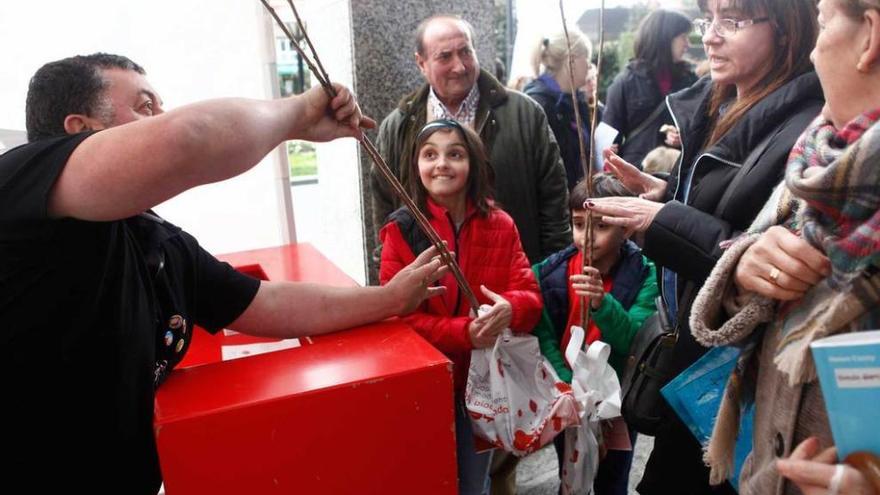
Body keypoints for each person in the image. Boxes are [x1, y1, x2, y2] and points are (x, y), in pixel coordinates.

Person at [0, 53, 448, 494]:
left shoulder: (156, 242)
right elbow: (189, 139)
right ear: (80, 130)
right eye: (145, 106)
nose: (162, 117)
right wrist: (297, 115)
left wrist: (388, 299)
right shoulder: (17, 186)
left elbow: (263, 303)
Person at [586, 1, 825, 493]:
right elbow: (724, 214)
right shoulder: (723, 101)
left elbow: (765, 254)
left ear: (785, 30)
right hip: (694, 354)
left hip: (737, 371)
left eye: (731, 22)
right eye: (707, 20)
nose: (710, 37)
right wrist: (666, 195)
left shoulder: (807, 124)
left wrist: (665, 218)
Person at [688, 0, 880, 493]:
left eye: (823, 22)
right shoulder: (820, 160)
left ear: (870, 36)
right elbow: (744, 271)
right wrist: (746, 265)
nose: (814, 53)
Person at [378, 119, 543, 495]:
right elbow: (396, 321)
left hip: (483, 387)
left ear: (473, 164)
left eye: (455, 154)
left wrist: (510, 309)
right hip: (424, 388)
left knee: (474, 485)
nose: (442, 164)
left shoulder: (500, 224)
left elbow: (531, 299)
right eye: (430, 154)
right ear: (415, 165)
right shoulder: (400, 232)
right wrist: (464, 333)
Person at [372, 14, 572, 266]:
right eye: (445, 56)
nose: (460, 66)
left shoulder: (524, 114)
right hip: (432, 291)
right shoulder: (398, 126)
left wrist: (552, 277)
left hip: (513, 282)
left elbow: (554, 202)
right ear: (421, 63)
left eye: (466, 52)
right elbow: (384, 209)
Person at [531, 174, 658, 495]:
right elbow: (543, 336)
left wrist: (603, 303)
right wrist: (565, 386)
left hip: (618, 402)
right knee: (571, 473)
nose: (587, 237)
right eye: (578, 224)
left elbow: (634, 340)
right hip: (568, 399)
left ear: (626, 228)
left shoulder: (645, 274)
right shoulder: (550, 273)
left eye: (601, 227)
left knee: (613, 479)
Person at [602, 9, 698, 167]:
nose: (688, 44)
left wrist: (683, 137)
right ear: (665, 39)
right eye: (683, 37)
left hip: (677, 173)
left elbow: (702, 129)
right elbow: (609, 140)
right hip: (637, 176)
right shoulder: (625, 82)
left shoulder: (691, 81)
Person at [524, 28, 601, 191]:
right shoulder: (539, 105)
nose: (589, 65)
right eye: (586, 58)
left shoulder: (575, 101)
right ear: (571, 61)